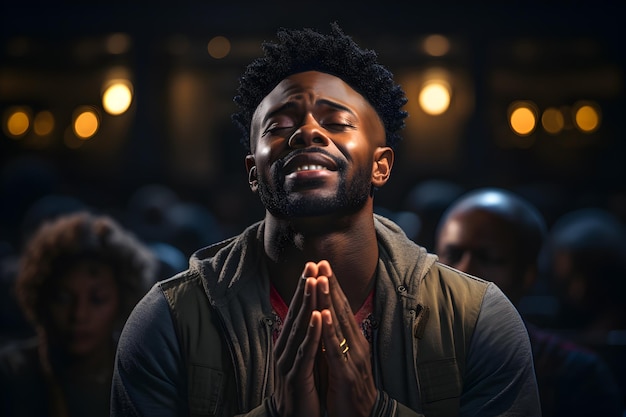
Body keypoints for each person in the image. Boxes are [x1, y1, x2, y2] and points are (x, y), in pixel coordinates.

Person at [111, 23, 540, 417]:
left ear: (381, 166)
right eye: (278, 125)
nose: (308, 131)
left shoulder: (478, 317)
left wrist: (376, 411)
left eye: (336, 121)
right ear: (252, 173)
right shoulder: (168, 319)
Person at [434, 187, 624, 416]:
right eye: (452, 255)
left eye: (489, 259)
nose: (463, 271)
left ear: (527, 275)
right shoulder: (399, 356)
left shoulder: (573, 375)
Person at [0, 211, 157, 417]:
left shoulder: (143, 376)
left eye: (98, 299)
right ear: (41, 298)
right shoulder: (10, 374)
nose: (79, 315)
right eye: (63, 298)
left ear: (123, 301)